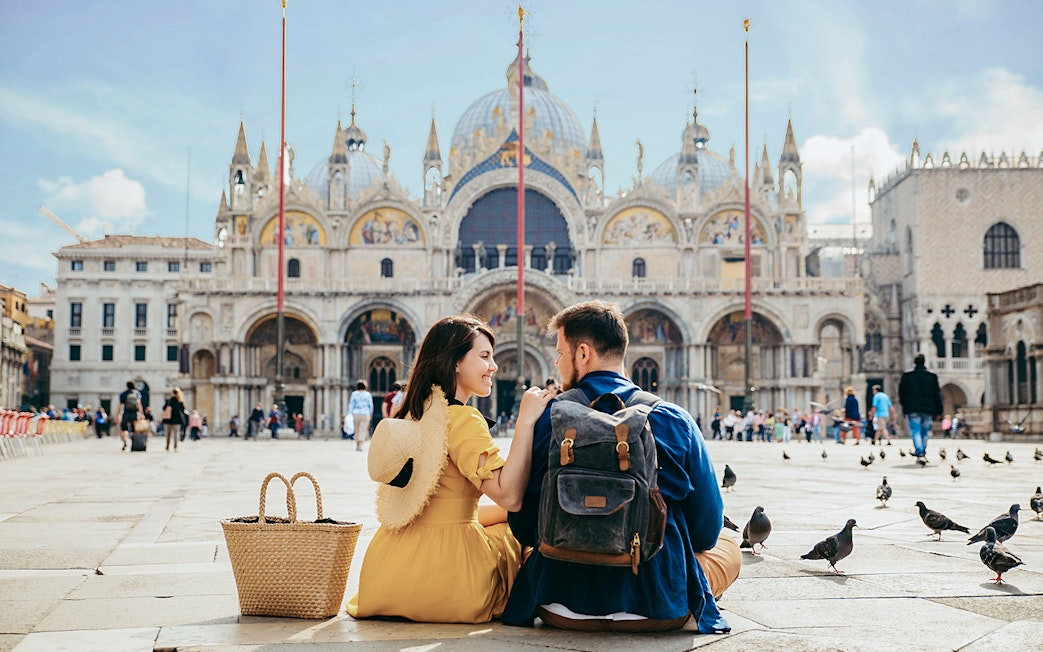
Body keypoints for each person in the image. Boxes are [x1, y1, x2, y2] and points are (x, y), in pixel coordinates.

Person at [503, 300, 737, 633]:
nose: (556, 363)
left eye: (559, 354)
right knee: (728, 546)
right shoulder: (674, 419)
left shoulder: (546, 419)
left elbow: (525, 528)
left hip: (559, 606)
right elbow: (706, 530)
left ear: (583, 354)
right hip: (657, 610)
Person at [347, 314, 554, 623]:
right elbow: (509, 497)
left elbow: (443, 506)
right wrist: (526, 420)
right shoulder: (462, 419)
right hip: (450, 583)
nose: (494, 366)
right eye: (484, 356)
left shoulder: (413, 415)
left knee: (500, 518)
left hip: (385, 577)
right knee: (514, 533)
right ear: (456, 362)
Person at [898, 352, 944, 459]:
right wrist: (939, 410)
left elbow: (901, 393)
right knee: (925, 431)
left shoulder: (907, 376)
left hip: (912, 408)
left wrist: (905, 405)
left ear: (914, 362)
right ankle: (922, 450)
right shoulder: (932, 377)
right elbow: (937, 394)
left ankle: (919, 450)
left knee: (915, 430)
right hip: (928, 409)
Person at [349, 380, 374, 452]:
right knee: (363, 430)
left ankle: (357, 445)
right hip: (365, 413)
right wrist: (370, 414)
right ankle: (360, 445)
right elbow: (370, 405)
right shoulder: (368, 394)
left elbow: (351, 404)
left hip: (355, 413)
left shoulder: (354, 394)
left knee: (356, 429)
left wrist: (350, 413)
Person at [116, 381, 142, 452]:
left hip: (126, 413)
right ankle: (133, 444)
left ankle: (125, 442)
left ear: (127, 386)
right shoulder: (137, 393)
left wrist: (117, 414)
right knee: (134, 429)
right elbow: (139, 404)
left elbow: (120, 405)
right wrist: (141, 414)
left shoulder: (123, 394)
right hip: (134, 413)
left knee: (124, 429)